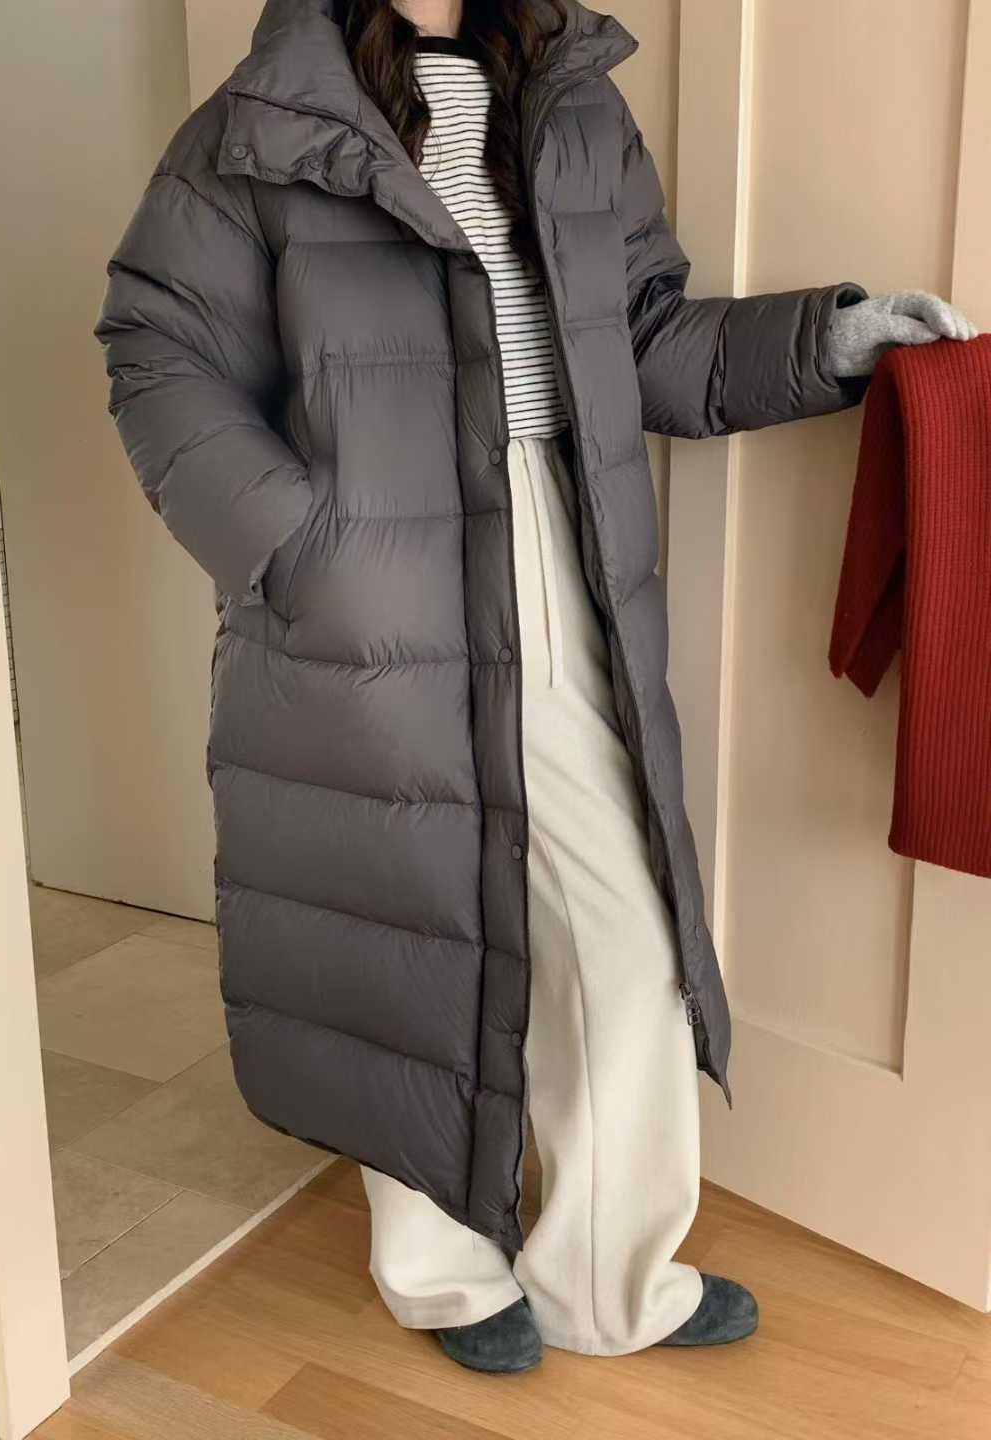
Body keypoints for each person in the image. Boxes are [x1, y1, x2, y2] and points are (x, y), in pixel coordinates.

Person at [95, 0, 977, 1375]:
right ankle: (442, 1276)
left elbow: (645, 339)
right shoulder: (262, 120)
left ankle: (611, 1285)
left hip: (559, 549)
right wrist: (301, 544)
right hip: (376, 578)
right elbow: (156, 348)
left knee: (624, 939)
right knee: (405, 924)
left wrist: (831, 340)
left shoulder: (572, 102)